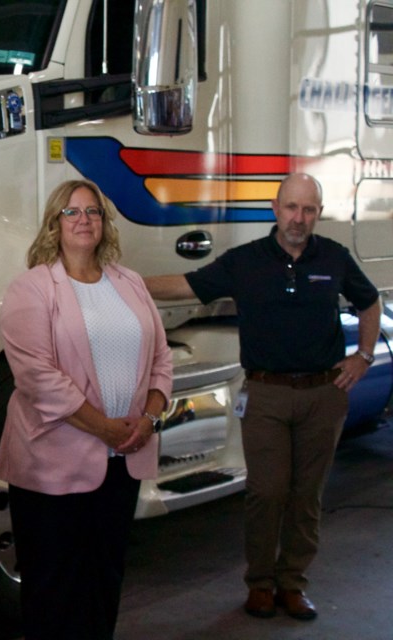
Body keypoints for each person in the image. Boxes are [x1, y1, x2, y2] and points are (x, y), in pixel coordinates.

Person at [145, 173, 380, 621]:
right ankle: (260, 583)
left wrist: (363, 356)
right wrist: (120, 280)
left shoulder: (334, 257)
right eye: (291, 208)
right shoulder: (245, 261)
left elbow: (368, 303)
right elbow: (186, 285)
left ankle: (293, 584)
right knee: (267, 491)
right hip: (266, 395)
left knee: (306, 495)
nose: (299, 218)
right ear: (275, 209)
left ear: (317, 213)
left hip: (323, 394)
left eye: (309, 210)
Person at [0, 179, 172, 640]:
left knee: (103, 580)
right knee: (53, 587)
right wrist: (107, 429)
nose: (84, 220)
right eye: (72, 212)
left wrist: (150, 419)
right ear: (54, 223)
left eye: (93, 212)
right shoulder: (32, 288)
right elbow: (37, 377)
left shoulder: (129, 282)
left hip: (122, 463)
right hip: (52, 466)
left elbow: (162, 359)